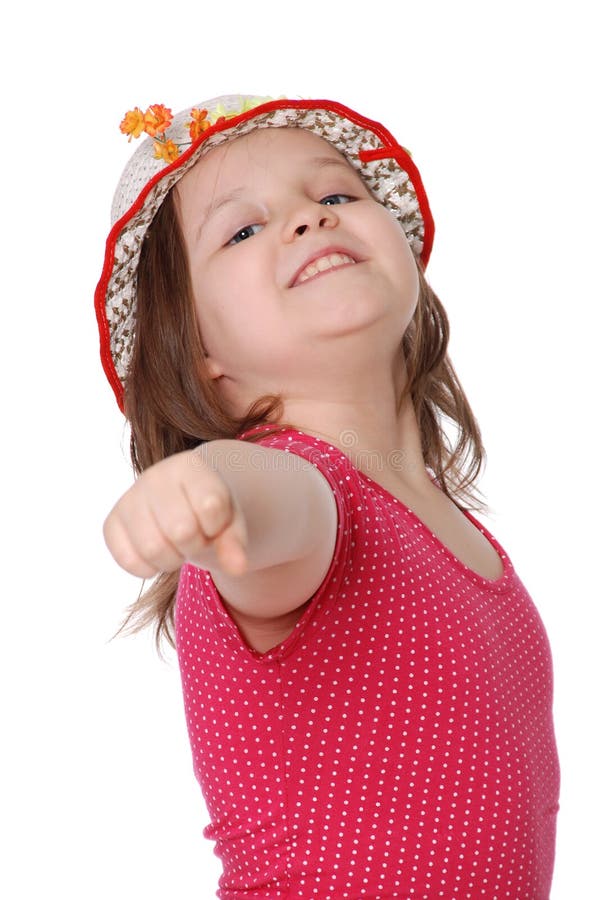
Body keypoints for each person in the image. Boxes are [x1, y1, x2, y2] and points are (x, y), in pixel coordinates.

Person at [97, 94, 560, 898]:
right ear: (199, 355)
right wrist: (208, 483)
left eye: (336, 195)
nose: (308, 221)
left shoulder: (445, 524)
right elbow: (275, 502)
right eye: (242, 230)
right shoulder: (304, 489)